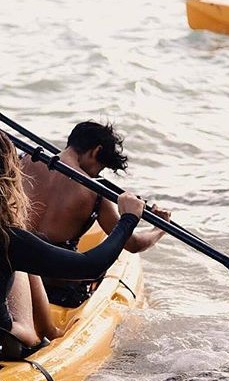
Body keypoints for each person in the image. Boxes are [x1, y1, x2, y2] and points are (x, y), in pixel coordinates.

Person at [0, 108, 144, 351]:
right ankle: (46, 333)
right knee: (19, 271)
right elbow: (89, 264)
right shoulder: (8, 239)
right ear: (5, 174)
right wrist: (128, 219)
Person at [21, 120, 170, 306]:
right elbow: (132, 244)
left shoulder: (25, 160)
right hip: (57, 288)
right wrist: (160, 228)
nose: (96, 175)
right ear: (96, 151)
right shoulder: (94, 193)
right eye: (100, 168)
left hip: (17, 274)